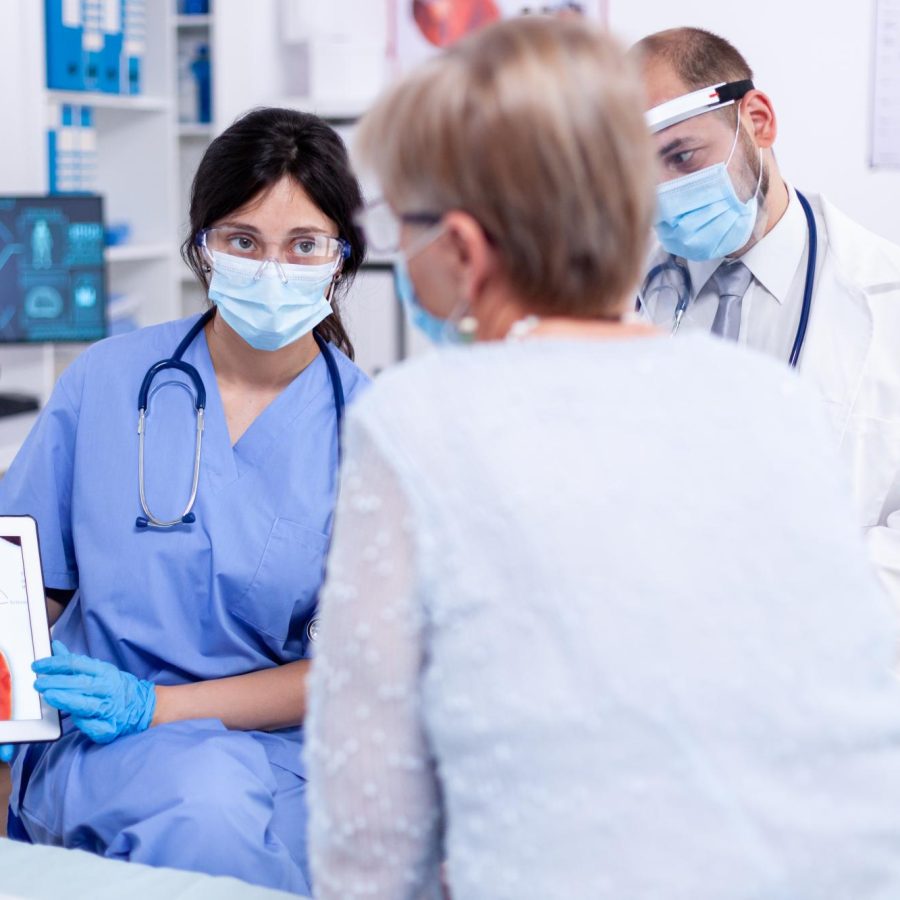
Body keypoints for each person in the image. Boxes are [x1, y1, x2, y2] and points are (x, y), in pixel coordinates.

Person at [305, 16, 900, 899]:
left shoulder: (413, 422)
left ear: (464, 247)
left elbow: (369, 827)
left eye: (399, 228)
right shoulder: (764, 401)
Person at [0, 107, 369, 894]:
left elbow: (350, 668)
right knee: (206, 817)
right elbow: (23, 585)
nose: (273, 267)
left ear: (341, 260)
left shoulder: (373, 430)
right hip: (104, 741)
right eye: (243, 240)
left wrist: (158, 706)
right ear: (202, 247)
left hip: (283, 747)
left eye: (303, 245)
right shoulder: (107, 380)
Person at [631, 28, 900, 609]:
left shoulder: (887, 300)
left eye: (682, 157)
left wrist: (799, 602)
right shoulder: (626, 301)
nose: (665, 194)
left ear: (758, 121)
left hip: (830, 657)